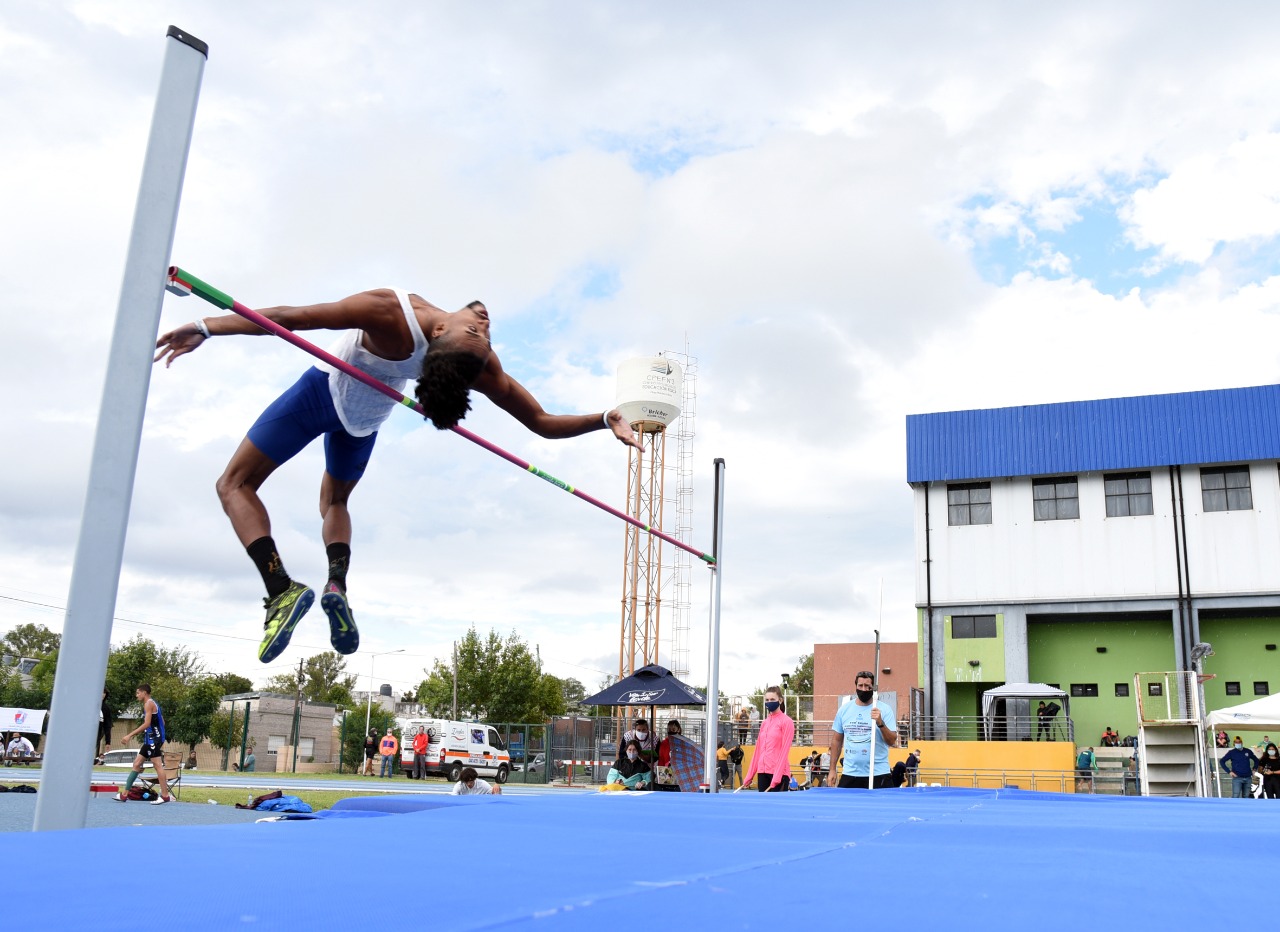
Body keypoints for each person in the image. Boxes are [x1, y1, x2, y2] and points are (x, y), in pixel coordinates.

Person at [155, 288, 642, 666]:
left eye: (478, 335)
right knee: (335, 503)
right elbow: (541, 424)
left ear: (438, 341)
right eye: (480, 334)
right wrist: (603, 418)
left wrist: (206, 325)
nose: (484, 329)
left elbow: (291, 318)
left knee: (233, 484)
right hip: (366, 419)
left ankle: (281, 589)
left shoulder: (394, 312)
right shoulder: (456, 347)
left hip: (322, 396)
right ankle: (336, 587)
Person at [828, 672, 898, 789]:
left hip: (878, 773)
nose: (864, 689)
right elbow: (836, 741)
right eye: (860, 686)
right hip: (851, 773)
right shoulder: (844, 710)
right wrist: (832, 769)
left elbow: (892, 741)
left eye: (867, 686)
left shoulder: (884, 710)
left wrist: (880, 723)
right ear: (855, 686)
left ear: (873, 688)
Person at [114, 684, 173, 805]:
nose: (137, 695)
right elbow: (162, 721)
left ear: (144, 692)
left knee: (157, 765)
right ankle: (124, 795)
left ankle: (165, 795)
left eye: (138, 693)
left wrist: (130, 735)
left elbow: (147, 724)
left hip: (153, 739)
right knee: (136, 764)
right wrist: (158, 732)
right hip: (150, 739)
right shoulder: (153, 704)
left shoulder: (148, 704)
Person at [741, 686, 795, 792]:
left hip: (779, 775)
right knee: (762, 807)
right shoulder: (764, 723)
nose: (769, 702)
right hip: (762, 772)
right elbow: (758, 752)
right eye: (767, 700)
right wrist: (749, 775)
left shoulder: (787, 722)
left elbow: (784, 752)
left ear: (780, 700)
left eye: (772, 699)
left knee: (777, 808)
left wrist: (777, 776)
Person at [97, 688, 113, 763]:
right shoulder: (89, 705)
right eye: (102, 692)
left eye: (104, 693)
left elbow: (107, 726)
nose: (103, 695)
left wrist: (108, 742)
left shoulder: (105, 708)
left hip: (97, 735)